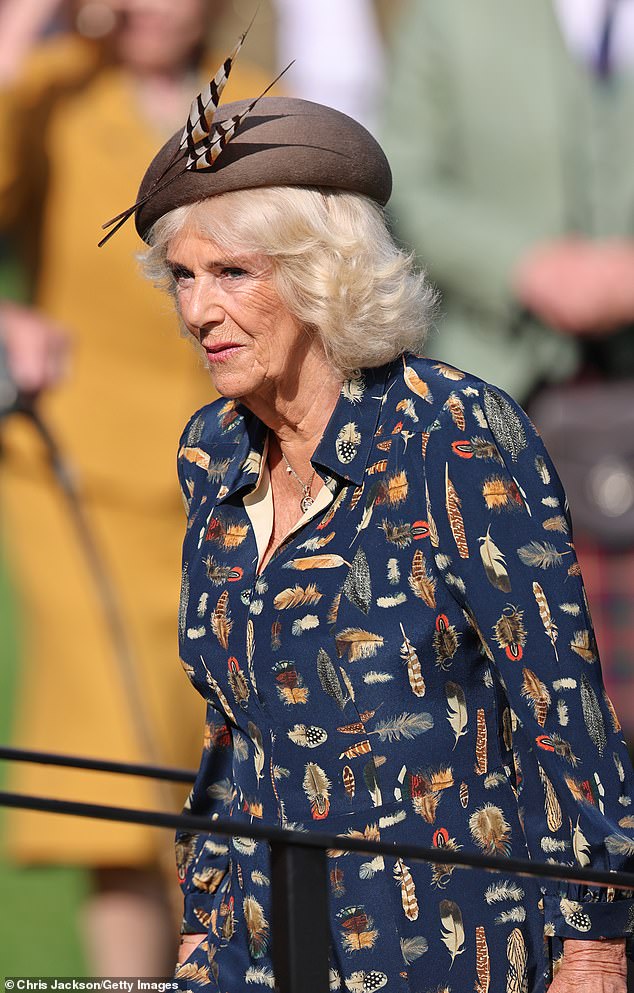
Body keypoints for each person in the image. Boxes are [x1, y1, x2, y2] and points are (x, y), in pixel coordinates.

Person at [125, 85, 634, 991]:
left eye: (233, 273)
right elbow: (230, 728)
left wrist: (595, 943)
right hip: (260, 944)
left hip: (444, 947)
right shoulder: (212, 451)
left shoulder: (454, 433)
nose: (198, 310)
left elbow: (562, 708)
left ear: (325, 272)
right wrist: (202, 927)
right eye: (183, 277)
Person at [0, 0, 271, 975]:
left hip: (230, 470)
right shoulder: (49, 93)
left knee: (219, 778)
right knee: (120, 781)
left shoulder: (246, 106)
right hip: (78, 472)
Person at [382, 0, 634, 747]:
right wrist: (524, 265)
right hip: (492, 404)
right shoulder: (448, 16)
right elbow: (398, 183)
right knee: (509, 721)